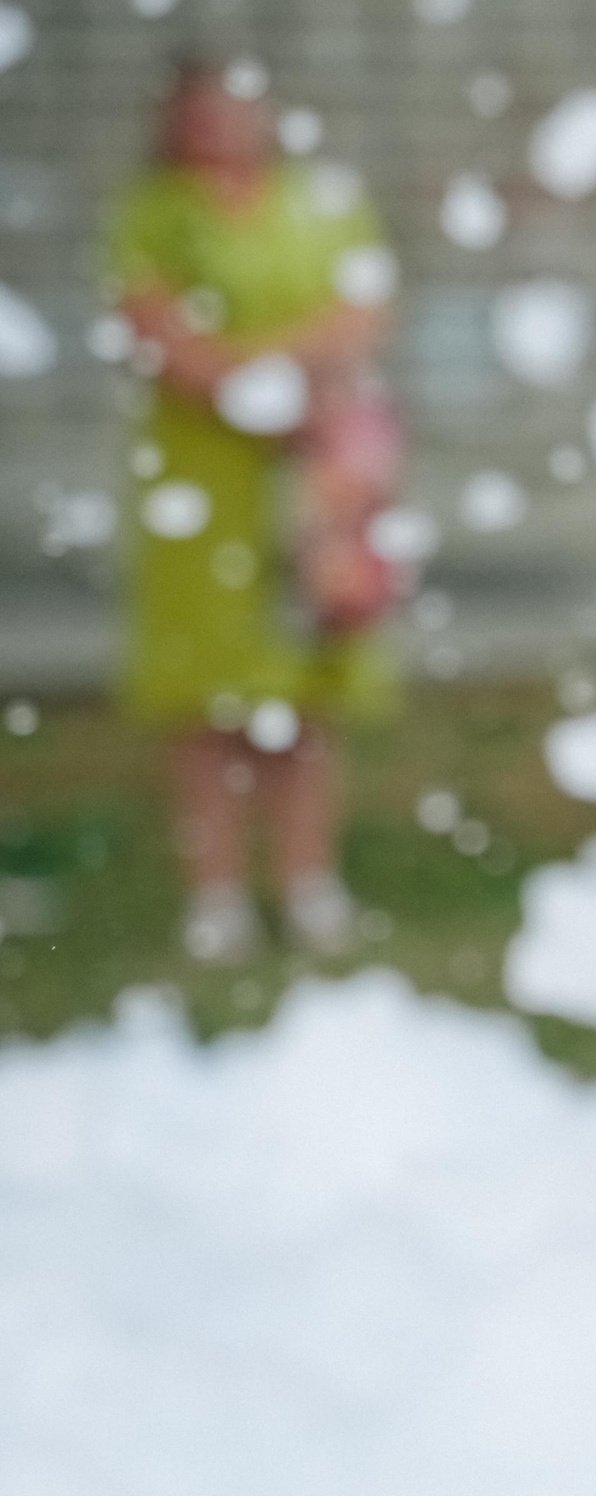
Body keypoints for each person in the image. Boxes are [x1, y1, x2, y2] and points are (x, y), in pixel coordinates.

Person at [110, 59, 399, 963]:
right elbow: (159, 337)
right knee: (207, 700)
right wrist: (279, 379)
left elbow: (364, 316)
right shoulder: (154, 215)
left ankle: (309, 882)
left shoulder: (320, 202)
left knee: (308, 696)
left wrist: (259, 372)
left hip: (311, 481)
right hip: (204, 488)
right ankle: (218, 894)